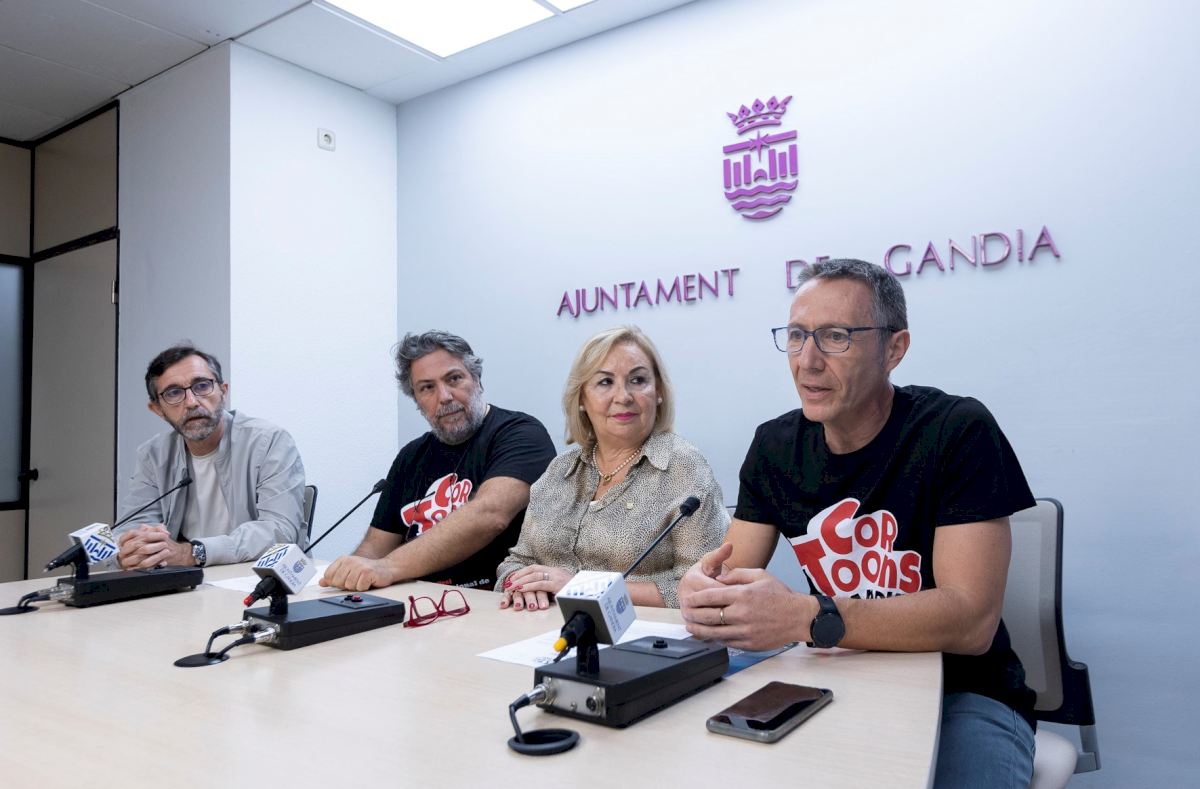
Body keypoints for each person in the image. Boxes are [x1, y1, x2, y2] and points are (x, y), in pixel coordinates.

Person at [679, 259, 1036, 787]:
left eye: (836, 337)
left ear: (894, 349)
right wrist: (704, 591)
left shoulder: (957, 430)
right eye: (797, 336)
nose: (807, 361)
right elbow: (728, 573)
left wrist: (806, 617)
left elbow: (971, 622)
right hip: (834, 679)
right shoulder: (775, 446)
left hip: (963, 693)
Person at [497, 326, 728, 611]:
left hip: (644, 633)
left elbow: (706, 586)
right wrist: (520, 587)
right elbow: (518, 562)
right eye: (605, 382)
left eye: (638, 380)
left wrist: (581, 587)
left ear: (658, 392)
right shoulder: (560, 470)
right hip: (541, 627)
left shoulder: (685, 468)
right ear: (582, 399)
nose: (623, 396)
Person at [321, 331, 556, 591]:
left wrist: (387, 568)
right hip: (419, 599)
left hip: (495, 598)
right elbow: (375, 548)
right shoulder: (410, 457)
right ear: (417, 400)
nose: (444, 396)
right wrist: (346, 579)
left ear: (477, 380)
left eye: (454, 379)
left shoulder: (521, 433)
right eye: (427, 388)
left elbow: (490, 515)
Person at [116, 344, 306, 569]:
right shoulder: (153, 455)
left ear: (223, 391)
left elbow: (280, 530)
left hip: (260, 578)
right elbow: (131, 526)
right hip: (188, 582)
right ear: (158, 409)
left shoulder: (269, 442)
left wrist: (193, 553)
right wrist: (131, 551)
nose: (191, 402)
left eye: (202, 386)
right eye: (174, 393)